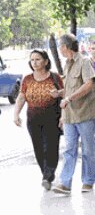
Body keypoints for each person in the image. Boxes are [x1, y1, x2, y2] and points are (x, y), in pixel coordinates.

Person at [52, 34, 95, 194]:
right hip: (69, 115)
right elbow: (70, 88)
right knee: (69, 149)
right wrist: (59, 94)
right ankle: (65, 183)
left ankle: (88, 181)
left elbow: (89, 84)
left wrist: (69, 98)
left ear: (65, 47)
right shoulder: (67, 64)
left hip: (85, 113)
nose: (59, 49)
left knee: (87, 150)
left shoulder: (85, 62)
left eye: (60, 46)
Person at [11, 49, 63, 189]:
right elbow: (21, 97)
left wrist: (63, 115)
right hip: (33, 119)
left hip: (52, 117)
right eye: (32, 60)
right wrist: (16, 114)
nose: (34, 62)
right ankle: (45, 173)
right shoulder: (27, 79)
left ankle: (48, 174)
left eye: (38, 59)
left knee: (51, 146)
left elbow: (65, 95)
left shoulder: (54, 77)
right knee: (38, 148)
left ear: (46, 61)